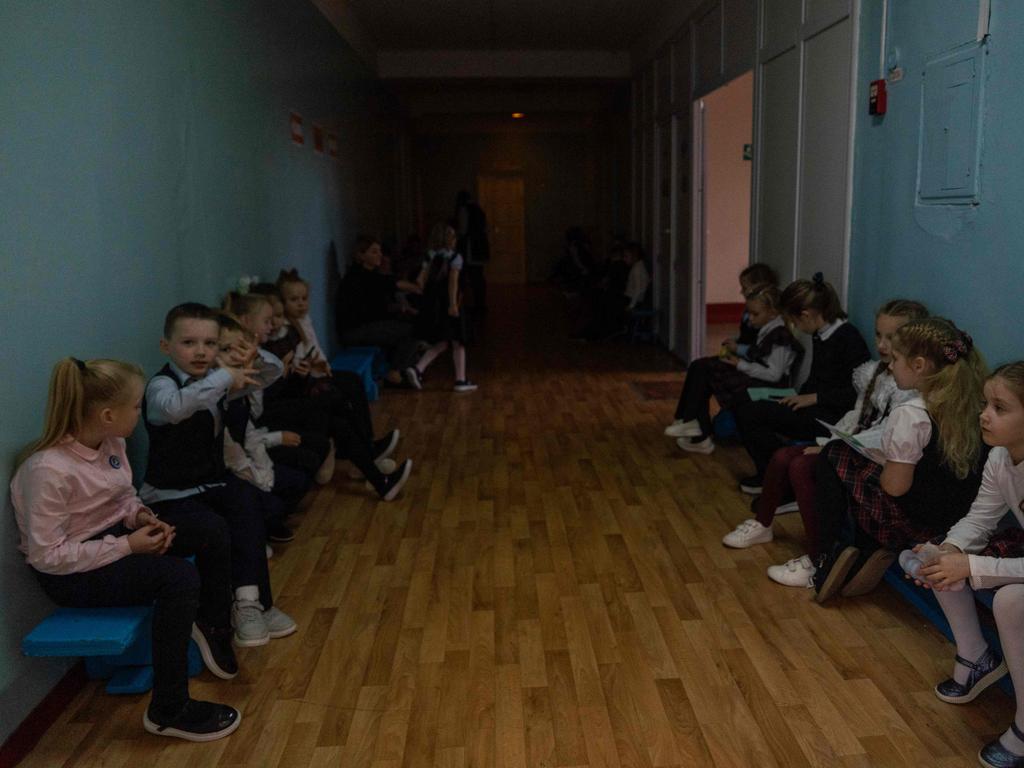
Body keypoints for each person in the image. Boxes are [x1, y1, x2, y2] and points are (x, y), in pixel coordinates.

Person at [11, 357, 241, 741]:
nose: (139, 413)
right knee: (179, 578)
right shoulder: (47, 471)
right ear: (106, 414)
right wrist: (126, 545)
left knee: (209, 527)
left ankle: (213, 625)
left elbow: (122, 500)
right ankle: (169, 709)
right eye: (135, 406)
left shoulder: (110, 442)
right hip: (73, 573)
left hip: (114, 540)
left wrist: (141, 518)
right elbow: (47, 556)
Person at [719, 300, 929, 587]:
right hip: (851, 446)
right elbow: (856, 416)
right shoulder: (874, 373)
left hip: (874, 458)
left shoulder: (909, 391)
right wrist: (832, 441)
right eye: (878, 335)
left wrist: (832, 449)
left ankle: (819, 558)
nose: (881, 344)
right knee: (783, 456)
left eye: (891, 338)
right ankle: (763, 523)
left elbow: (884, 435)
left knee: (801, 465)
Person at [140, 302, 297, 648]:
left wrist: (251, 355)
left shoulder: (214, 381)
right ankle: (220, 620)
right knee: (218, 526)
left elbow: (270, 374)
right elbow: (176, 408)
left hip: (209, 482)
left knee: (248, 502)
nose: (201, 352)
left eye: (210, 344)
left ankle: (252, 604)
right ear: (166, 346)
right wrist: (225, 375)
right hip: (169, 495)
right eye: (189, 343)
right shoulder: (161, 387)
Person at [813, 317, 989, 602]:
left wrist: (885, 461)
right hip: (959, 518)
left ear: (919, 365)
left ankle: (829, 553)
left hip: (917, 520)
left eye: (896, 358)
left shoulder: (912, 413)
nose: (891, 365)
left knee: (833, 454)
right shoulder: (977, 404)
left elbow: (895, 488)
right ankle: (861, 550)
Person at [907, 361, 1024, 767]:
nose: (984, 414)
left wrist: (971, 567)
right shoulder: (999, 457)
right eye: (985, 403)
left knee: (1011, 599)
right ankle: (975, 657)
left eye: (1000, 407)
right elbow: (979, 519)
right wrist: (951, 549)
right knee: (944, 559)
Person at [276, 269, 413, 498]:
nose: (300, 304)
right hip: (303, 386)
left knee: (351, 382)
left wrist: (319, 366)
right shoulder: (285, 333)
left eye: (304, 298)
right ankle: (369, 456)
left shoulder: (301, 322)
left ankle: (369, 449)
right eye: (293, 300)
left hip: (311, 377)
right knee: (340, 399)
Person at [733, 273, 871, 494]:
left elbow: (858, 394)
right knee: (744, 400)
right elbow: (817, 379)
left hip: (831, 417)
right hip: (814, 404)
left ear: (806, 315)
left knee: (751, 414)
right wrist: (799, 395)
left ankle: (779, 478)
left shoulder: (847, 338)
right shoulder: (822, 333)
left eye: (795, 321)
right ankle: (775, 473)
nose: (795, 326)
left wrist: (813, 397)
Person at [671, 283, 801, 455]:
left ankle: (697, 430)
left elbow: (774, 374)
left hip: (771, 387)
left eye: (755, 314)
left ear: (772, 313)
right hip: (757, 376)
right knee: (701, 366)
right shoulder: (768, 328)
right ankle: (691, 422)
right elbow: (758, 355)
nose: (750, 318)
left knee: (706, 371)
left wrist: (740, 364)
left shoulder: (780, 335)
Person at [335, 235, 423, 387]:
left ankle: (401, 370)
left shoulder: (368, 275)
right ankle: (394, 372)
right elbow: (393, 284)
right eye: (374, 252)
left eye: (380, 251)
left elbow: (377, 304)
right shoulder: (359, 277)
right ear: (361, 255)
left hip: (363, 327)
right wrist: (417, 288)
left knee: (406, 325)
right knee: (415, 330)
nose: (380, 255)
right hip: (355, 331)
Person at [407, 222, 478, 393]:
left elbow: (420, 281)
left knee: (443, 341)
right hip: (450, 305)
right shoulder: (455, 258)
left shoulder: (430, 256)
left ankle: (418, 368)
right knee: (458, 341)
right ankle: (460, 379)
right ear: (447, 239)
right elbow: (453, 283)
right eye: (453, 237)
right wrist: (453, 304)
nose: (455, 240)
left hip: (434, 305)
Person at [455, 190, 489, 314]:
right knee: (478, 277)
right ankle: (480, 304)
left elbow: (462, 231)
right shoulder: (479, 210)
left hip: (471, 248)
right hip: (479, 247)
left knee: (471, 277)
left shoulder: (464, 210)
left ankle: (473, 304)